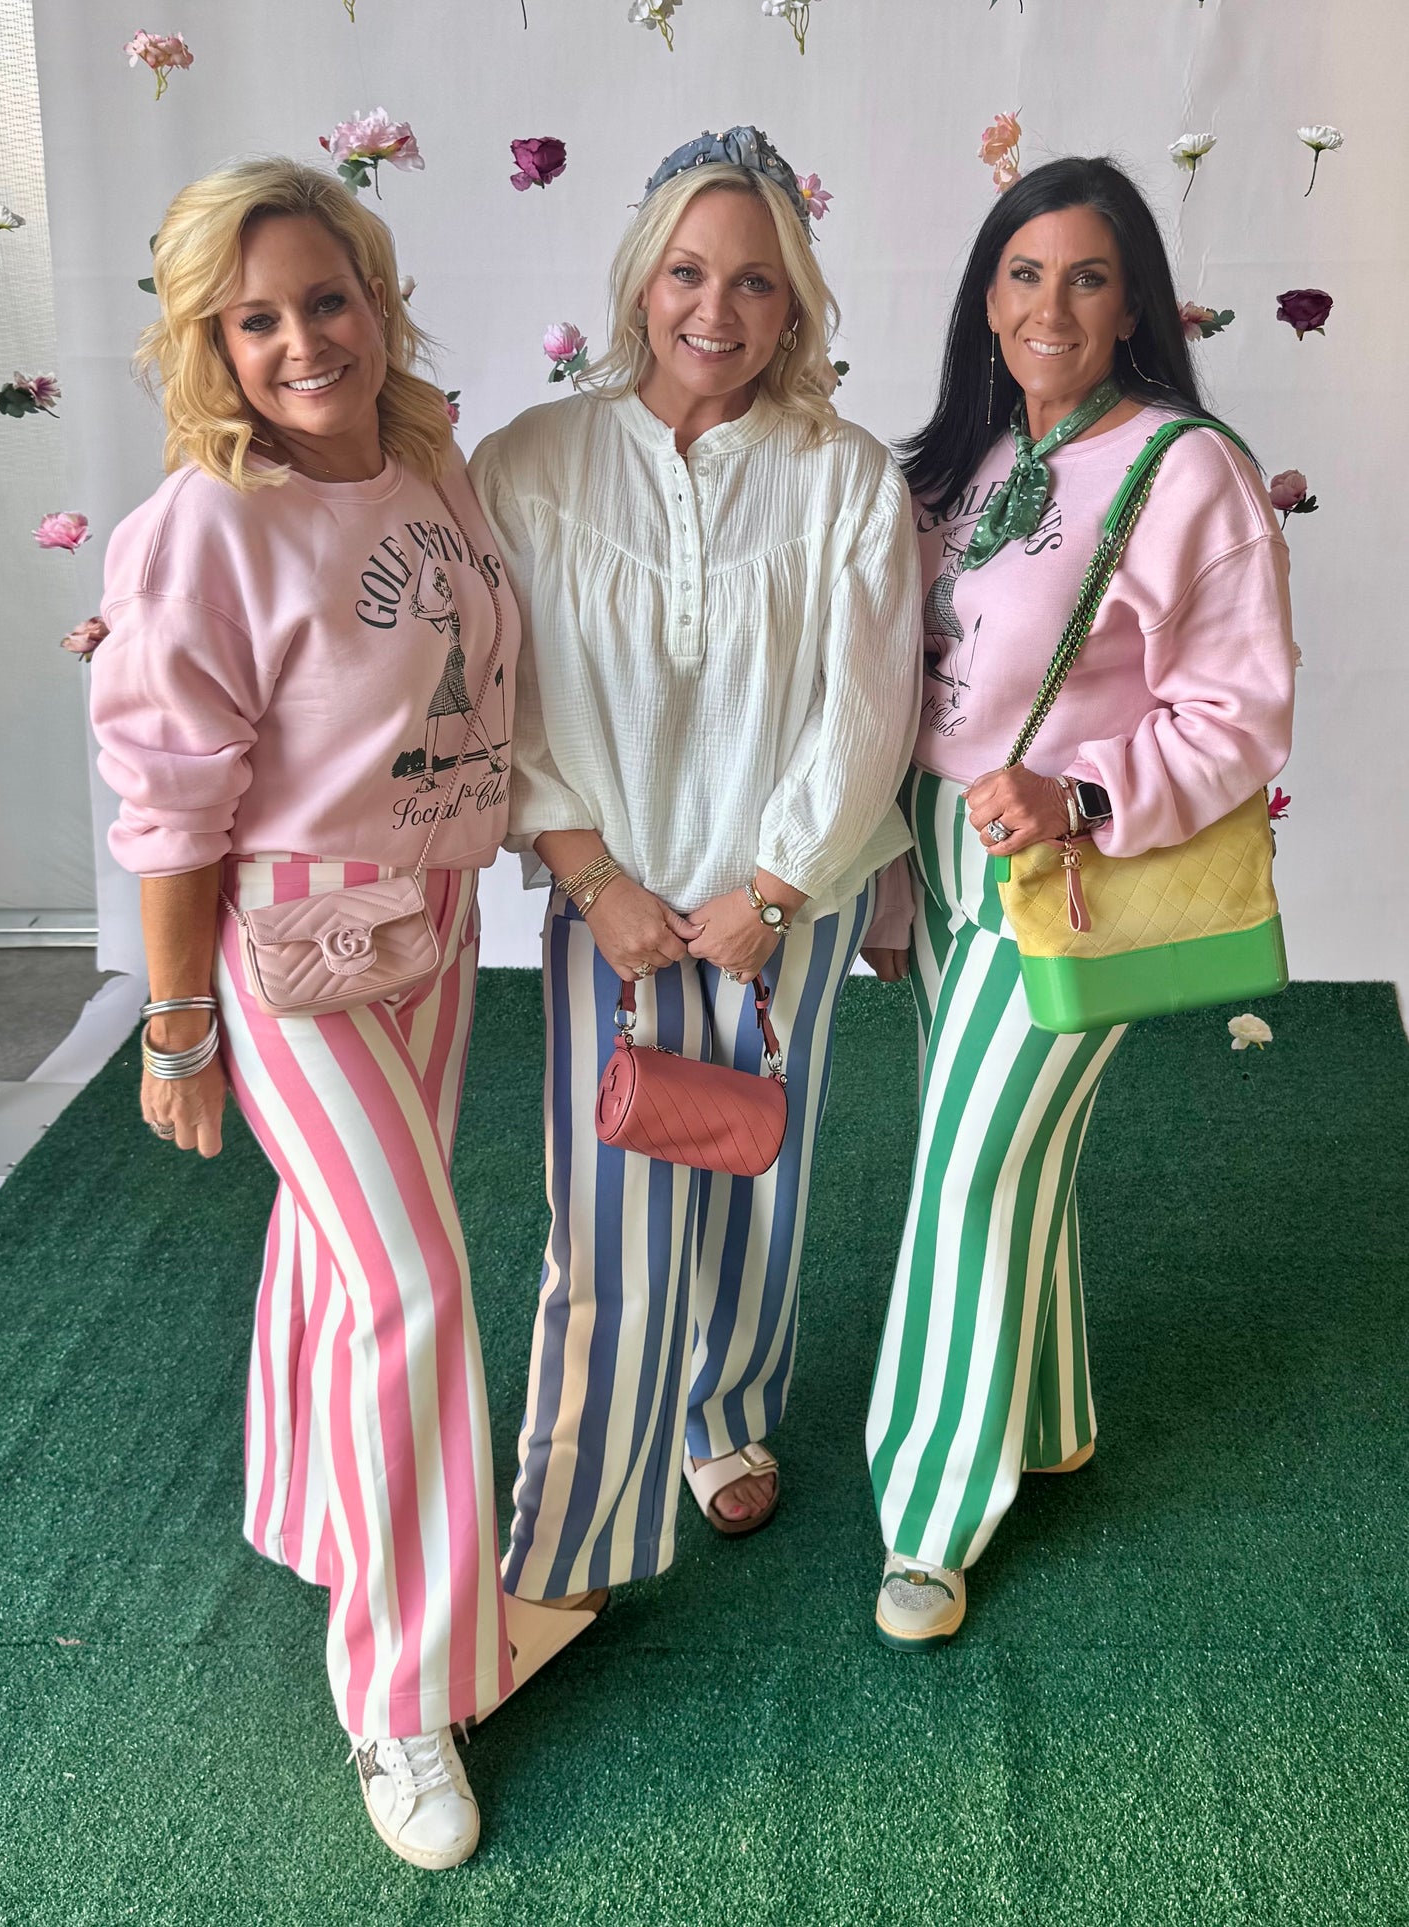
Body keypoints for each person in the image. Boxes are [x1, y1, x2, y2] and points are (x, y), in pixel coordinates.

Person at [88, 158, 520, 1868]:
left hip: (433, 919)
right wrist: (175, 1024)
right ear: (210, 338)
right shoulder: (203, 519)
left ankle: (314, 1511)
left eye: (322, 299)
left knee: (334, 1257)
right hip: (290, 947)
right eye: (251, 318)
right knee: (409, 1281)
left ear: (374, 293)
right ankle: (399, 1694)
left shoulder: (428, 456)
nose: (298, 341)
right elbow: (171, 803)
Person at [470, 127, 920, 1613]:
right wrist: (597, 881)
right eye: (685, 271)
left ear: (795, 305)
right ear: (639, 278)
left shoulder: (843, 477)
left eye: (753, 281)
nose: (712, 310)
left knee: (751, 1178)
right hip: (610, 899)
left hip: (775, 901)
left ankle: (721, 1413)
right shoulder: (528, 462)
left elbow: (870, 705)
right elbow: (501, 694)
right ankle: (569, 1530)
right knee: (604, 1206)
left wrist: (775, 888)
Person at [860, 157, 1294, 1648]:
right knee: (998, 1154)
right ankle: (1044, 1419)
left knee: (964, 1170)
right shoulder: (961, 463)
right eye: (1023, 274)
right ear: (985, 298)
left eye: (1087, 277)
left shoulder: (1187, 470)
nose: (1051, 305)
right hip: (935, 844)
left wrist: (1077, 788)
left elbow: (1237, 714)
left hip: (1070, 869)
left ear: (1135, 307)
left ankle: (925, 1518)